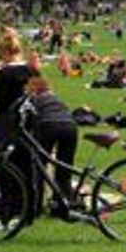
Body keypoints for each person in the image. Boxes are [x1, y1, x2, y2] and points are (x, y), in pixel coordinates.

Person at [25, 77, 78, 218]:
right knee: (64, 169)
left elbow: (27, 124)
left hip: (48, 125)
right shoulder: (57, 99)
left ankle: (36, 208)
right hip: (70, 127)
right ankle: (61, 207)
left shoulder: (33, 100)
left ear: (34, 89)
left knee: (39, 167)